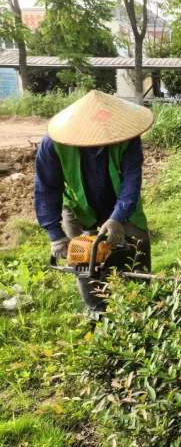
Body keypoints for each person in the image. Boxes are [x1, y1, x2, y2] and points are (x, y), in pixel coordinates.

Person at [34, 90, 153, 310]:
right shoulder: (53, 144)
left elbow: (131, 181)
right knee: (83, 257)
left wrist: (118, 218)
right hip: (79, 207)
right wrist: (55, 234)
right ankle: (97, 311)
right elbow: (47, 188)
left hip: (121, 203)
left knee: (138, 246)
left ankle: (140, 305)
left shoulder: (127, 138)